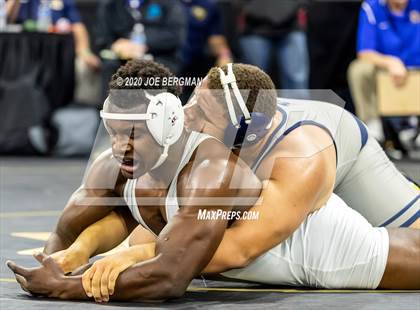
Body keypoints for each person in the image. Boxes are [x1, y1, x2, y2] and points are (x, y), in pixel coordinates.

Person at [6, 60, 420, 303]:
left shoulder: (295, 156)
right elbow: (147, 218)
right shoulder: (182, 133)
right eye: (189, 102)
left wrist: (99, 272)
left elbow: (226, 252)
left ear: (239, 135)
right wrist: (80, 251)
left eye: (201, 113)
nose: (186, 115)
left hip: (338, 156)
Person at [347, 0, 420, 143]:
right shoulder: (372, 7)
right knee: (359, 69)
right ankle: (372, 124)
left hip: (416, 68)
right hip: (384, 72)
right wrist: (391, 62)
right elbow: (365, 52)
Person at [6, 0, 101, 104]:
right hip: (25, 52)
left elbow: (78, 26)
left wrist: (84, 51)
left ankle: (84, 109)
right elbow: (7, 20)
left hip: (59, 54)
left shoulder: (63, 2)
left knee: (83, 66)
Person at [95, 0, 186, 100]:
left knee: (159, 70)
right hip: (121, 58)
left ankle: (158, 112)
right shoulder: (109, 4)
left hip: (158, 55)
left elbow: (176, 35)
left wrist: (142, 44)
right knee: (110, 66)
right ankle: (110, 112)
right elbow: (102, 39)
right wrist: (116, 46)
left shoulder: (169, 4)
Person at [237, 0, 309, 98]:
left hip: (291, 24)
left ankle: (300, 113)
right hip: (254, 27)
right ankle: (249, 113)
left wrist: (300, 4)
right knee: (252, 82)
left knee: (296, 82)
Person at [179, 0, 232, 102]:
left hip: (193, 63)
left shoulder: (209, 5)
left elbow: (215, 38)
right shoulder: (164, 3)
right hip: (166, 57)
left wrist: (224, 55)